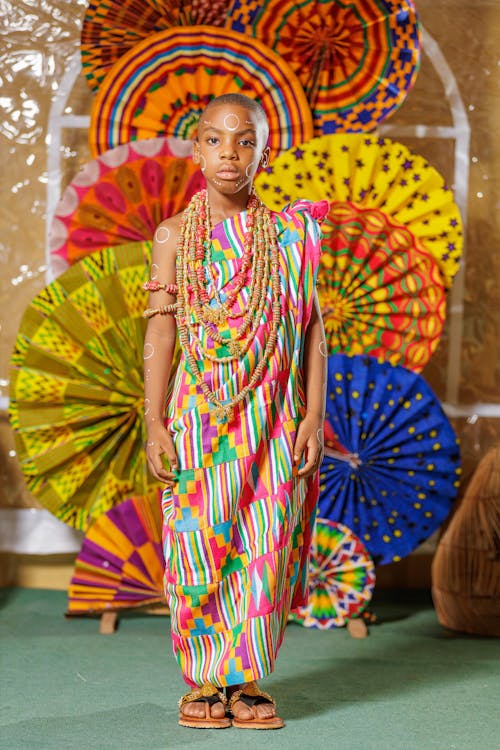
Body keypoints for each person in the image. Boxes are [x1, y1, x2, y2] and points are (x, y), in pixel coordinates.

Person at [143, 93, 328, 730]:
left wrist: (312, 416)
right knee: (195, 543)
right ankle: (202, 678)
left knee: (262, 547)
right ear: (196, 153)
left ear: (264, 154)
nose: (230, 153)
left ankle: (244, 678)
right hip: (198, 413)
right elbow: (162, 331)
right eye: (216, 140)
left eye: (244, 141)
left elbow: (312, 331)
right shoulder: (173, 236)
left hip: (274, 416)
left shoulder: (292, 234)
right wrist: (153, 418)